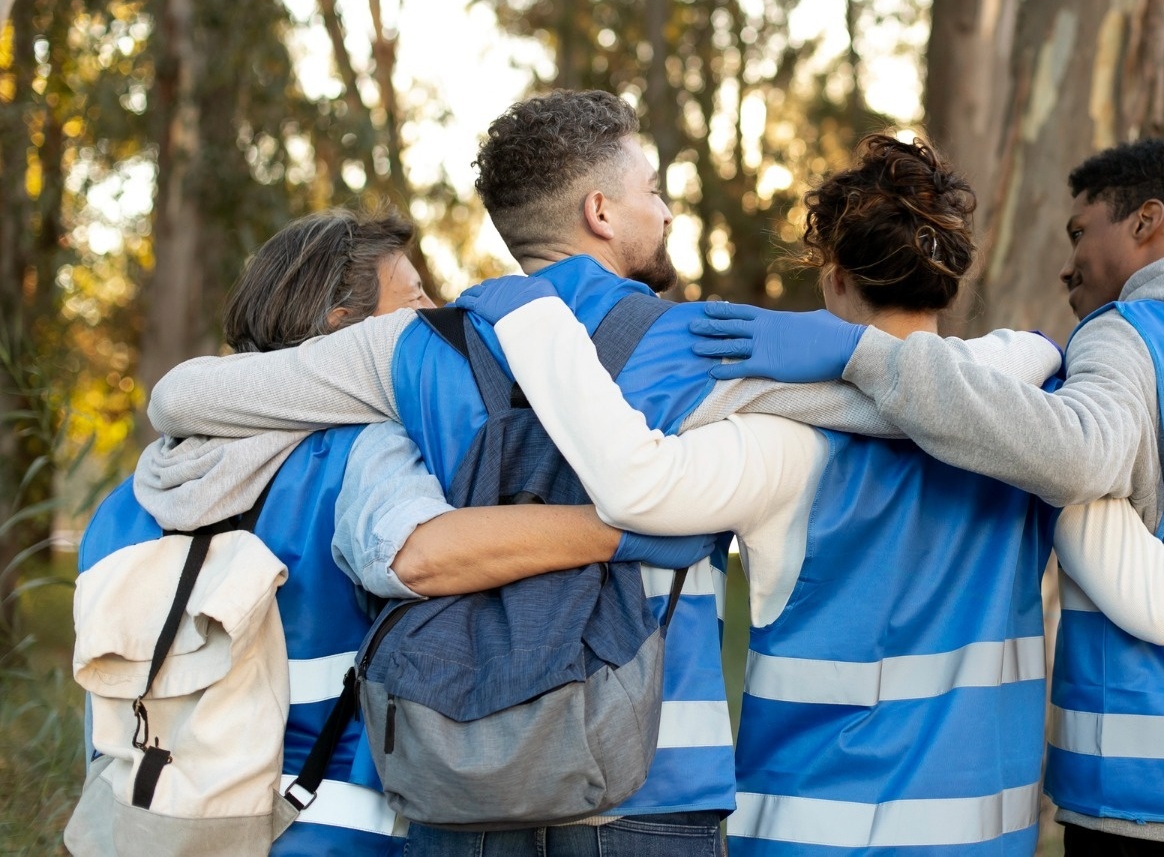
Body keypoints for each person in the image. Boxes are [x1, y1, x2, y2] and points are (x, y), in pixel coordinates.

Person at [145, 122, 1164, 856]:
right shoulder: (1029, 393)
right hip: (976, 826)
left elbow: (637, 476)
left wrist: (534, 324)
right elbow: (1119, 545)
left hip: (771, 819)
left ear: (825, 275)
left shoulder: (766, 428)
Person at [688, 137, 1164, 856]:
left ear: (1147, 223)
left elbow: (1074, 452)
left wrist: (850, 362)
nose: (1067, 262)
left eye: (1082, 233)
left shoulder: (1121, 341)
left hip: (1136, 799)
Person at [77, 210, 702, 856]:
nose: (437, 318)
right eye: (414, 305)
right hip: (326, 827)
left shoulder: (132, 498)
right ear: (340, 330)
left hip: (152, 822)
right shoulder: (358, 454)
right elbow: (421, 554)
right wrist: (628, 530)